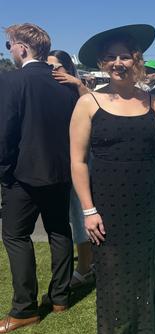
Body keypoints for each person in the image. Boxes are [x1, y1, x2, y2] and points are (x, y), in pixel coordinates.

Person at [70, 24, 155, 334]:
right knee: (109, 269)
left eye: (125, 55)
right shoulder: (88, 102)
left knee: (145, 265)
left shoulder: (152, 101)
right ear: (101, 62)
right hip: (107, 200)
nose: (118, 62)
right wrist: (88, 209)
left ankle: (145, 331)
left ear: (136, 59)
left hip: (149, 197)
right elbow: (77, 161)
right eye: (111, 57)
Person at [0, 24, 76, 334]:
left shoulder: (13, 80)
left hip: (23, 174)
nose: (10, 51)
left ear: (22, 47)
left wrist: (4, 171)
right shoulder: (63, 82)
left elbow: (5, 131)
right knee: (59, 231)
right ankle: (60, 297)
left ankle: (24, 308)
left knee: (15, 236)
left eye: (9, 45)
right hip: (61, 171)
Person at [46, 50, 95, 289]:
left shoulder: (77, 90)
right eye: (49, 68)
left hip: (85, 159)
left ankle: (85, 267)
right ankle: (88, 262)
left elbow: (96, 108)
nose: (53, 72)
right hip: (62, 159)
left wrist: (78, 83)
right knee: (74, 214)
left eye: (57, 67)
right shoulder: (48, 91)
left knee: (80, 212)